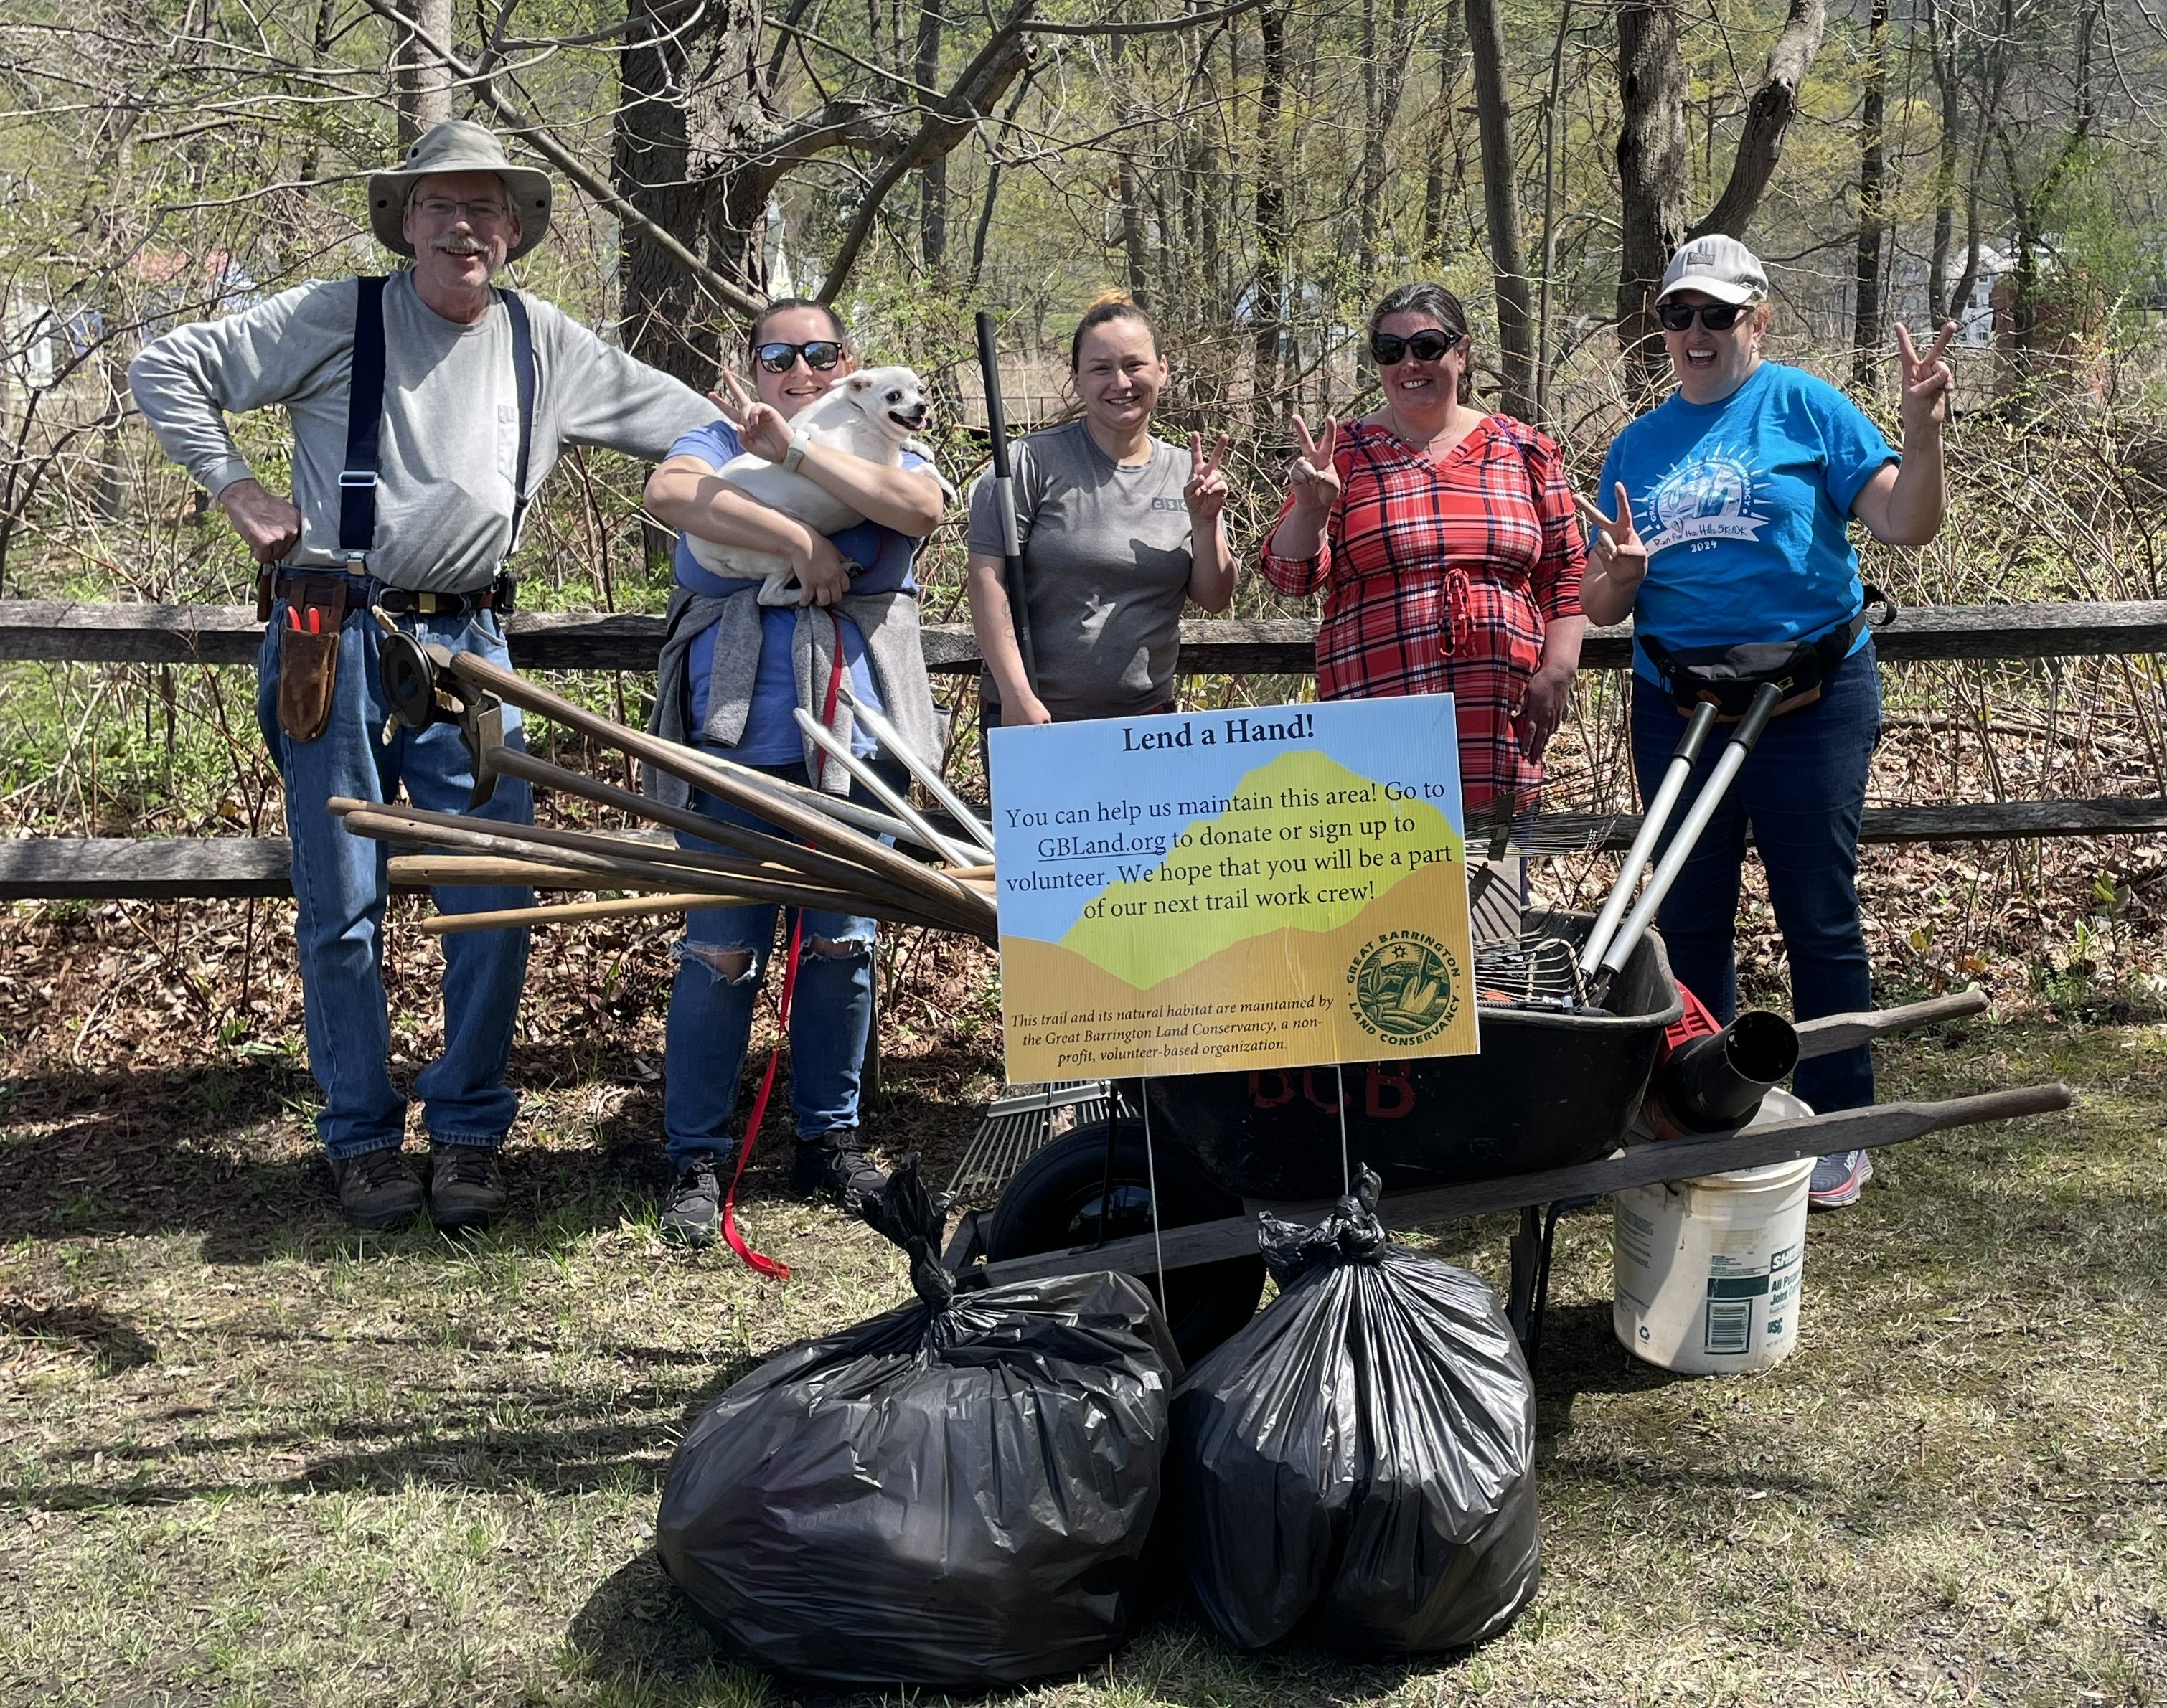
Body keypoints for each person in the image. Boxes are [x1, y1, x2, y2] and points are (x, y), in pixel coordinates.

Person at [128, 122, 714, 1233]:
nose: (463, 226)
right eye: (440, 206)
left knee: (494, 891)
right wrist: (237, 489)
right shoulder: (334, 317)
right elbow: (162, 366)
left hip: (473, 648)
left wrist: (813, 455)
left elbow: (702, 426)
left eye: (485, 207)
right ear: (405, 221)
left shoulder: (550, 345)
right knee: (340, 901)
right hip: (332, 633)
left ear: (514, 229)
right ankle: (360, 1139)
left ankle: (469, 1131)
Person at [1577, 233, 1955, 1211]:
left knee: (1816, 916)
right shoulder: (1641, 442)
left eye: (1717, 315)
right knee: (1693, 918)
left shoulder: (1806, 407)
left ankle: (1838, 1127)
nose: (1695, 334)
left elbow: (1905, 523)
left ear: (1759, 319)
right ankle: (1712, 1108)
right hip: (1682, 706)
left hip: (1808, 704)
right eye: (1677, 315)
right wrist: (1615, 577)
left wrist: (1923, 431)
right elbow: (1600, 596)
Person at [644, 299, 947, 1242]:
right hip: (733, 735)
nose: (801, 368)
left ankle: (829, 1140)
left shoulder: (888, 438)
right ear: (758, 365)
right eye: (780, 353)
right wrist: (801, 540)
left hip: (857, 737)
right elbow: (676, 496)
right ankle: (696, 1154)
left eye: (822, 352)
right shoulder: (718, 431)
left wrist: (801, 458)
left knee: (841, 947)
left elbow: (919, 509)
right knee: (720, 951)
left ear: (852, 366)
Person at [1259, 282, 1587, 818]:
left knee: (1492, 892)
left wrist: (1559, 669)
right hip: (1375, 725)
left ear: (1462, 352)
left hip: (1499, 726)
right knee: (1389, 897)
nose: (1410, 362)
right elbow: (1289, 576)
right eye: (1391, 351)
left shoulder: (1524, 449)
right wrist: (1312, 507)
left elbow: (1565, 570)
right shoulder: (1342, 455)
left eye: (1428, 346)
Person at [964, 293, 1237, 726]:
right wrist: (1017, 695)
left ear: (1162, 370)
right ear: (1076, 379)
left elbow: (1215, 597)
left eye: (1134, 365)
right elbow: (987, 584)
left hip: (1147, 723)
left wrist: (1206, 523)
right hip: (1035, 716)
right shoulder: (1026, 464)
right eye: (1101, 369)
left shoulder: (1188, 472)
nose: (1121, 382)